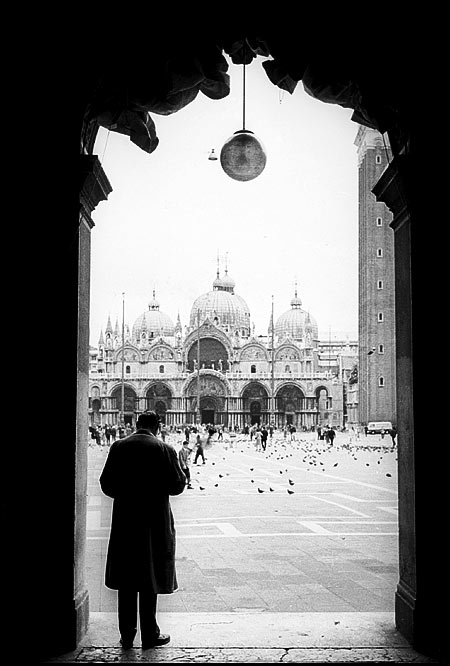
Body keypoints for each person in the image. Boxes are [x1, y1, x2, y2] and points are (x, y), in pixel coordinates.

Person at [99, 411, 186, 650]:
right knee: (150, 576)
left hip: (126, 521)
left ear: (136, 425)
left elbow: (106, 484)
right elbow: (178, 486)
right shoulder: (165, 449)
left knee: (127, 577)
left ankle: (127, 635)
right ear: (157, 426)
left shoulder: (119, 447)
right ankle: (150, 633)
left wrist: (127, 496)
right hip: (154, 522)